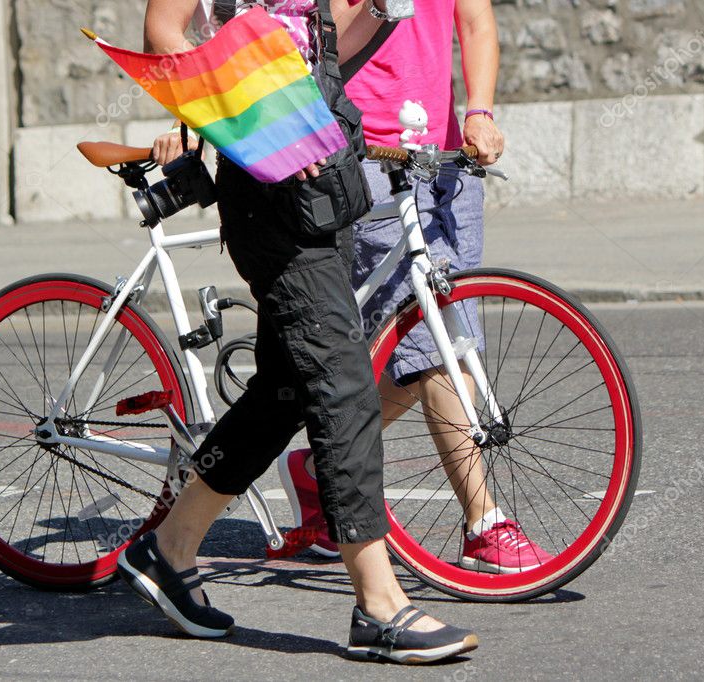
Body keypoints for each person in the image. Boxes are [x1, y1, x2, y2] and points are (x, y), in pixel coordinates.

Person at [119, 0, 479, 664]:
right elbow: (163, 34)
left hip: (327, 169)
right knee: (341, 380)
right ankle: (378, 603)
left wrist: (376, 11)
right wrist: (248, 124)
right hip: (263, 181)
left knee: (284, 389)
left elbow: (325, 49)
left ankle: (169, 548)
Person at [274, 0, 555, 573]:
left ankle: (319, 464)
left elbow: (475, 23)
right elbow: (328, 39)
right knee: (435, 345)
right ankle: (483, 521)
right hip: (375, 157)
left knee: (446, 342)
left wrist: (479, 110)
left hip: (448, 159)